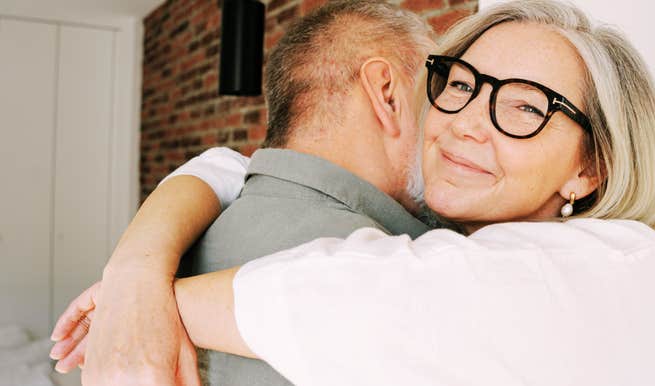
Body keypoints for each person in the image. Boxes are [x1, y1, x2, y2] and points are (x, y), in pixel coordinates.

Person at [52, 0, 655, 385]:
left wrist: (137, 301)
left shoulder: (614, 266)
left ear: (591, 169)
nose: (465, 121)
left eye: (522, 107)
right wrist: (136, 268)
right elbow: (229, 164)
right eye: (459, 85)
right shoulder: (423, 234)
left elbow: (353, 301)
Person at [49, 2, 435, 385]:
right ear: (387, 94)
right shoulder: (417, 285)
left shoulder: (190, 242)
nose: (454, 120)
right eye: (442, 91)